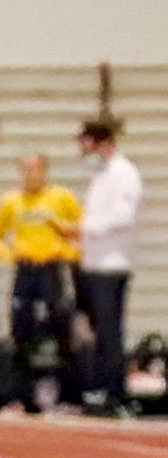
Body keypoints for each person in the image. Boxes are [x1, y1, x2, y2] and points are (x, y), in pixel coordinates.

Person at [0, 154, 81, 415]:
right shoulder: (11, 201)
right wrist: (8, 254)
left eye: (36, 169)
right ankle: (19, 397)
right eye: (25, 169)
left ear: (45, 171)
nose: (31, 174)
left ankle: (67, 396)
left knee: (61, 329)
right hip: (25, 271)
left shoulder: (60, 198)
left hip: (51, 269)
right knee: (21, 331)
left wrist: (67, 252)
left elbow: (82, 229)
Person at [73, 120, 141, 416]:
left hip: (111, 265)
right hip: (94, 263)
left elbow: (122, 216)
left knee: (110, 331)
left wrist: (83, 228)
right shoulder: (100, 175)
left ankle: (114, 391)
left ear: (101, 143)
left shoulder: (123, 173)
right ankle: (99, 388)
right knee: (100, 331)